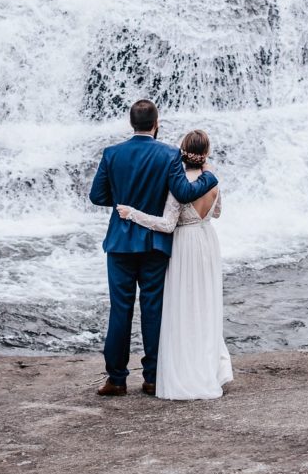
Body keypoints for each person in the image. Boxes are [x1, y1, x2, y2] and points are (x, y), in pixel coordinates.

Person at [89, 99, 218, 397]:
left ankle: (116, 379)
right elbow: (185, 191)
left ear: (131, 123)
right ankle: (152, 377)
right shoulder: (169, 154)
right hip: (155, 244)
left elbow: (97, 195)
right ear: (156, 123)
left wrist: (124, 201)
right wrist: (210, 176)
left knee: (120, 311)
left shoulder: (112, 153)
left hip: (120, 243)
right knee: (153, 310)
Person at [117, 129, 233, 400]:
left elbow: (168, 225)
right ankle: (209, 368)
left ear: (182, 152)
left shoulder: (179, 183)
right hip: (206, 242)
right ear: (206, 153)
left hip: (184, 245)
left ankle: (185, 369)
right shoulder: (212, 180)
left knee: (182, 306)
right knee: (205, 305)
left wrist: (132, 214)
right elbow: (217, 212)